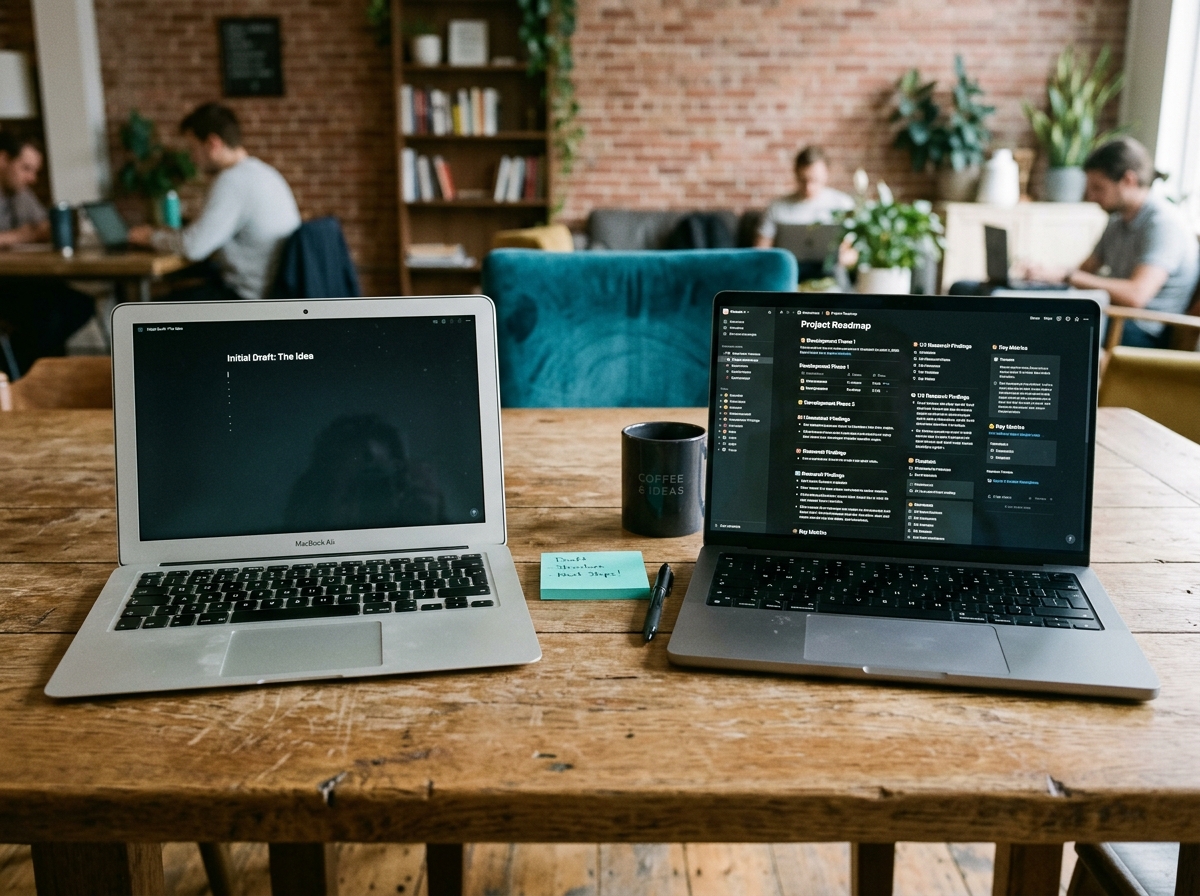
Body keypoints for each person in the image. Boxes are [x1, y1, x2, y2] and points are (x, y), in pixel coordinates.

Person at [1020, 137, 1199, 348]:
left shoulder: (1163, 224)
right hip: (1112, 317)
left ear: (1128, 180)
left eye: (1098, 188)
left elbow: (1136, 296)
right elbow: (1085, 270)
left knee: (1040, 330)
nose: (1091, 197)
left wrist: (1068, 276)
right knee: (1027, 314)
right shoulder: (1117, 220)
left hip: (1142, 330)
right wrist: (1045, 274)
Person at [128, 103, 300, 300]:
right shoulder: (264, 172)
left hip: (246, 298)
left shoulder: (233, 180)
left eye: (193, 148)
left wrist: (150, 237)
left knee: (151, 308)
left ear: (213, 144)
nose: (192, 158)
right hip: (271, 291)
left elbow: (194, 248)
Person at [0, 133, 95, 377]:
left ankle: (44, 373)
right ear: (2, 159)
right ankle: (28, 375)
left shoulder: (19, 193)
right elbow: (28, 233)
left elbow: (41, 226)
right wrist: (20, 236)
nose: (32, 178)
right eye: (25, 168)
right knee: (49, 314)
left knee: (78, 305)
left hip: (22, 279)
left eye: (35, 171)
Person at [755, 146, 855, 247]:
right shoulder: (776, 207)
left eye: (814, 180)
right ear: (796, 174)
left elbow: (852, 248)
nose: (808, 187)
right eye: (803, 180)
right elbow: (761, 249)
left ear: (827, 174)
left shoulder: (843, 204)